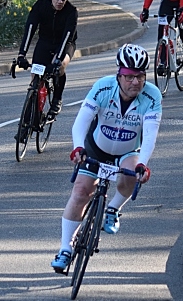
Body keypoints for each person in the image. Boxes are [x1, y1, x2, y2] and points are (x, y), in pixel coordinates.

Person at [50, 44, 162, 273]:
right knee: (81, 192)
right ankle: (64, 249)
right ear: (119, 75)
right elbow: (81, 120)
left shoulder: (152, 96)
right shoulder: (103, 88)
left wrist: (143, 164)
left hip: (128, 151)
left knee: (131, 175)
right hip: (96, 147)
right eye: (130, 77)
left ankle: (112, 209)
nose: (136, 83)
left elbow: (150, 134)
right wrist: (78, 148)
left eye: (140, 77)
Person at [16, 0, 77, 121]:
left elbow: (67, 37)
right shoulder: (40, 6)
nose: (60, 2)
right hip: (45, 42)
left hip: (65, 43)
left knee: (60, 66)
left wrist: (56, 60)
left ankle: (57, 99)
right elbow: (29, 30)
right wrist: (22, 54)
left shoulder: (71, 11)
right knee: (35, 76)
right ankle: (35, 112)